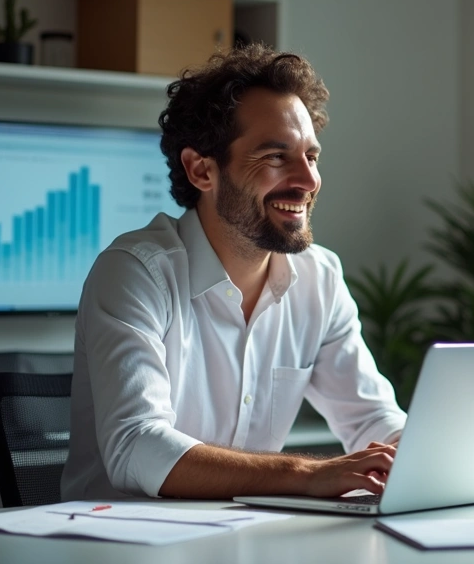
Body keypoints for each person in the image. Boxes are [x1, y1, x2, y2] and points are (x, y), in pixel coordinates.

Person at [62, 46, 406, 501]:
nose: (308, 180)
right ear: (201, 170)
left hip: (246, 539)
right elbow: (137, 445)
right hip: (120, 544)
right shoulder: (135, 272)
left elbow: (373, 421)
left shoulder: (320, 279)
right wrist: (306, 474)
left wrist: (439, 455)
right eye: (276, 157)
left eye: (312, 156)